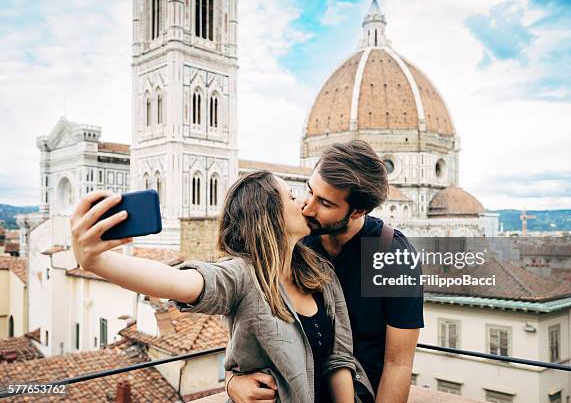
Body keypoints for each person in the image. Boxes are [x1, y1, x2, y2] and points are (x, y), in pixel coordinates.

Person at [70, 170, 375, 403]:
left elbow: (339, 357)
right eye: (292, 198)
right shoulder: (242, 276)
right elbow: (179, 282)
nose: (304, 204)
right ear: (270, 216)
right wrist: (97, 262)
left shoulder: (320, 273)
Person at [228, 140, 423, 403]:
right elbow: (246, 316)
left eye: (325, 203)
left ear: (358, 211)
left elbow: (398, 364)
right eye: (309, 191)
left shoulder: (392, 256)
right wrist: (232, 381)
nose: (307, 207)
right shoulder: (296, 241)